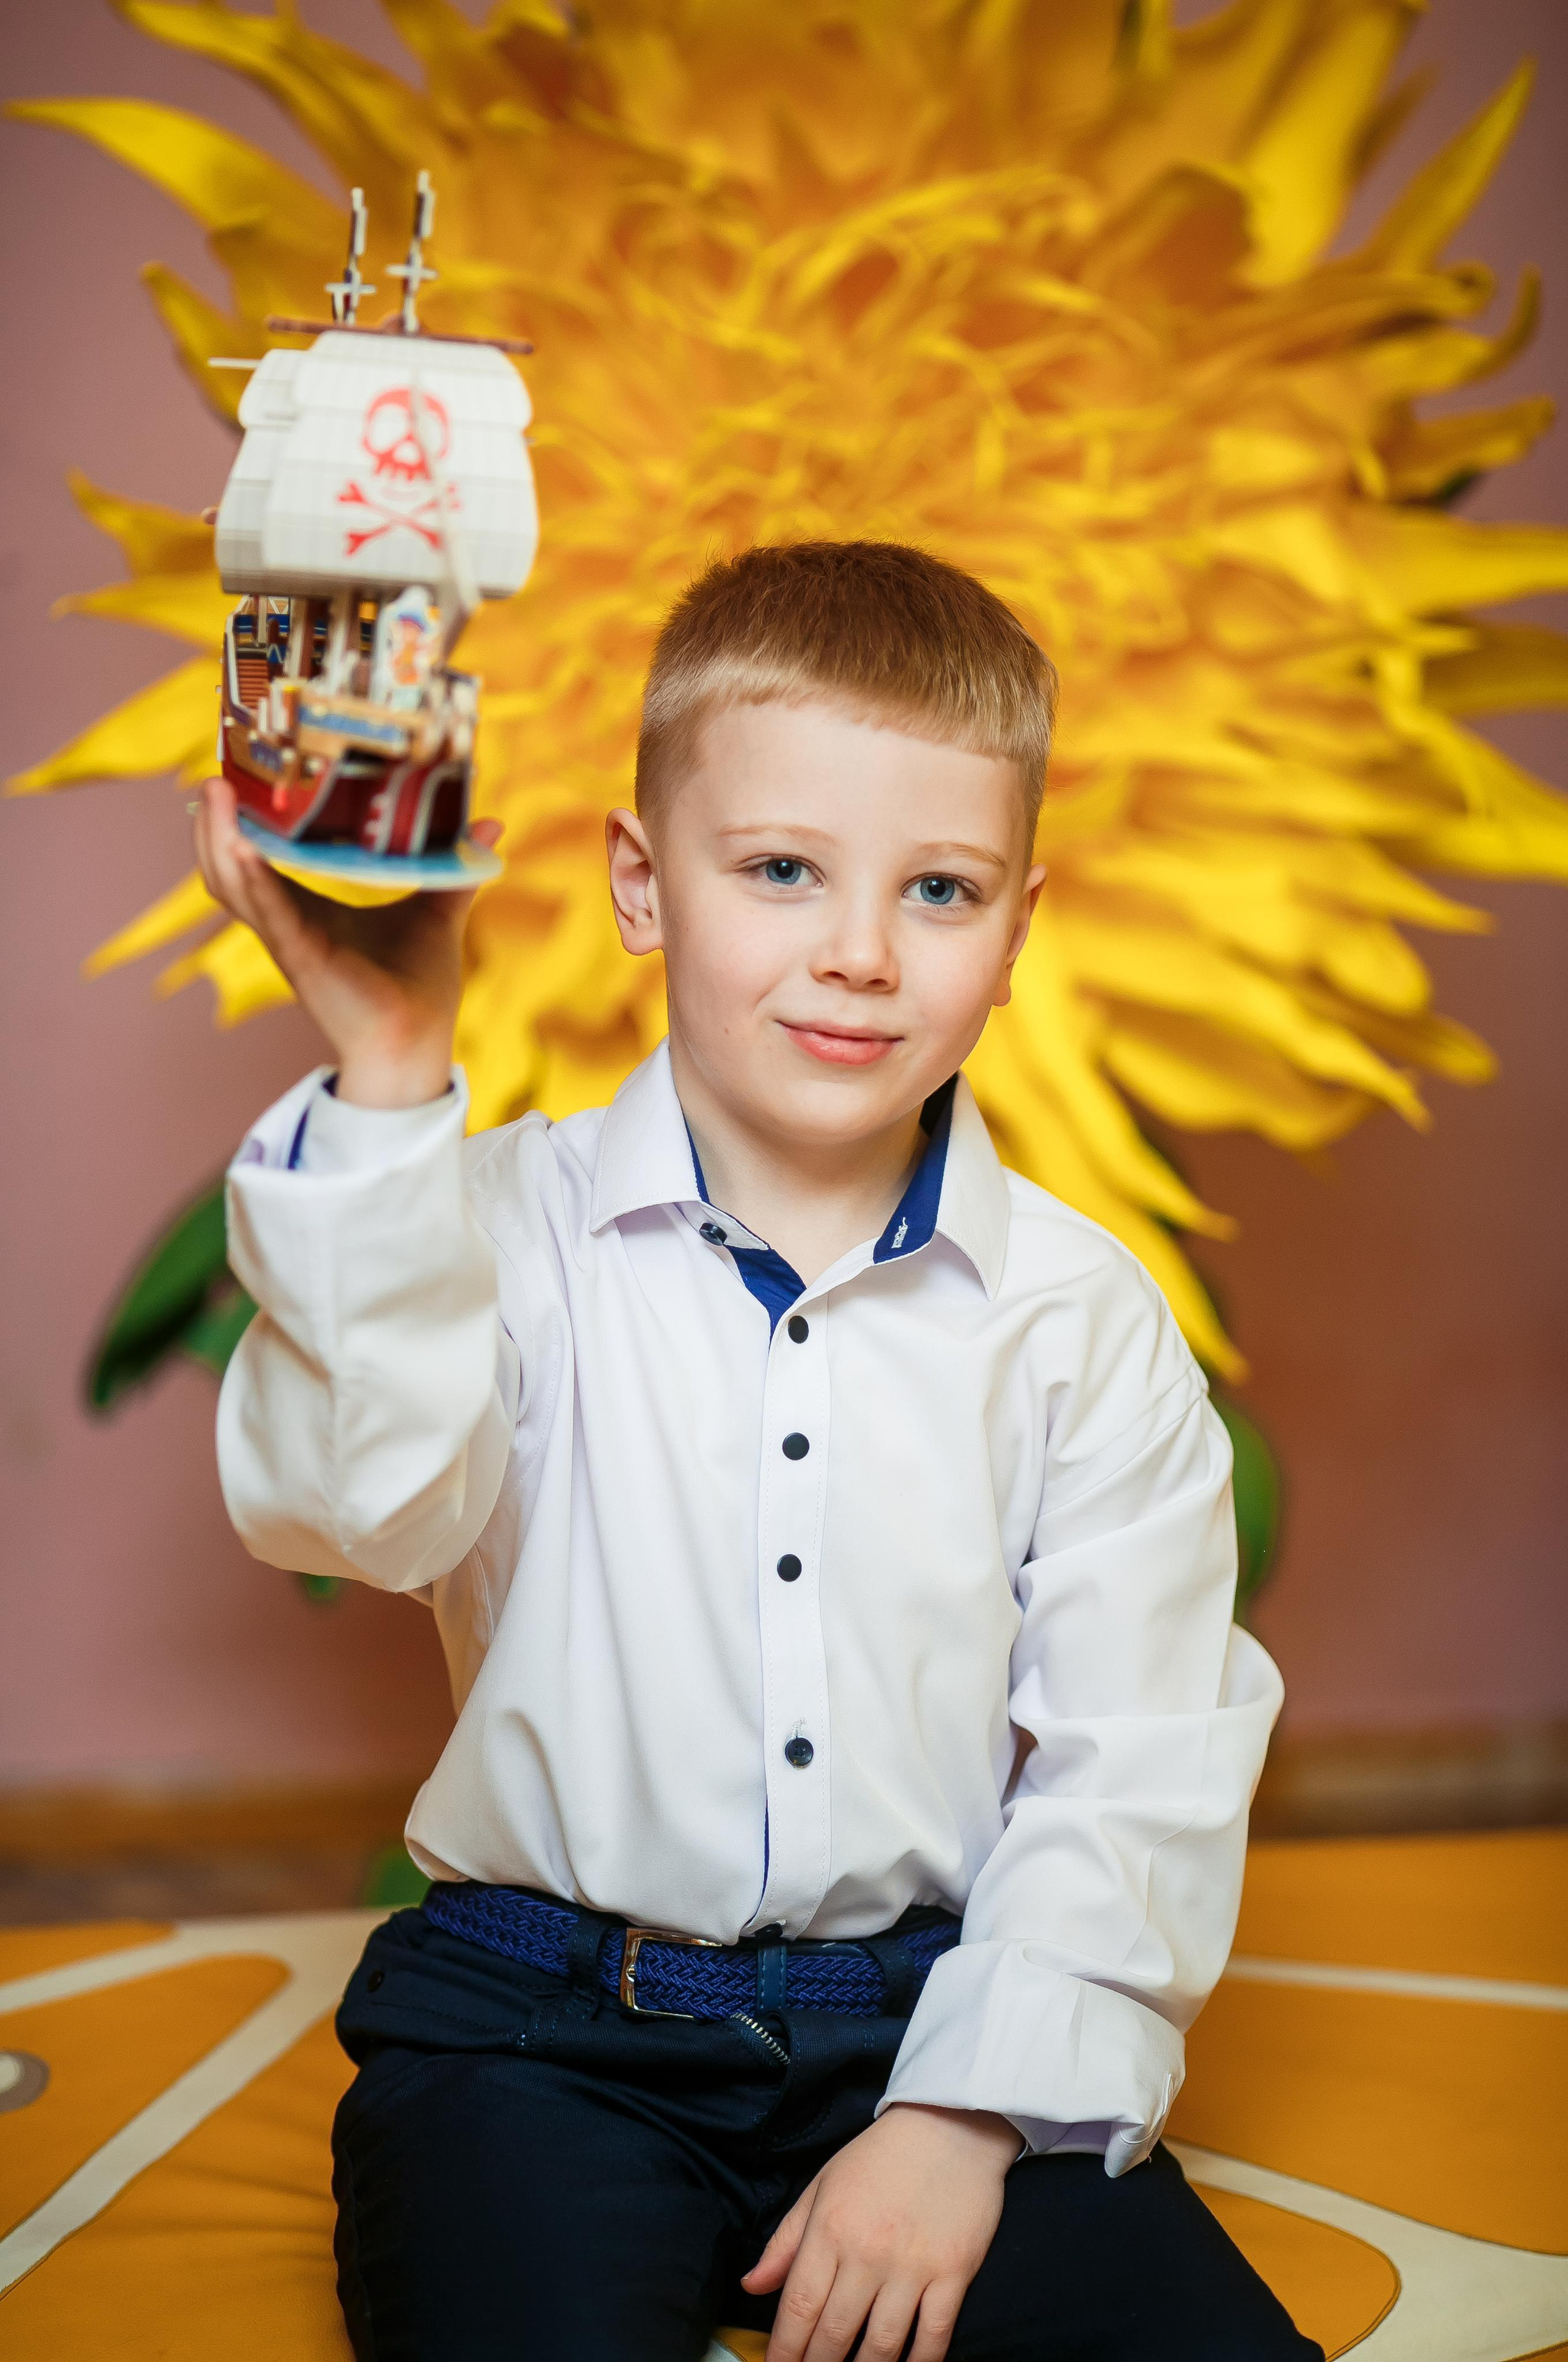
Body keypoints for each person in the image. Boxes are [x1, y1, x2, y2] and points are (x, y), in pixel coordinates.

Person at [196, 541, 1314, 2362]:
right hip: (535, 2036)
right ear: (643, 885)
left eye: (939, 889)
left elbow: (1141, 1759)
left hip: (934, 2023)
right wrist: (390, 1069)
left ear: (1019, 929)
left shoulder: (1083, 1319)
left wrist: (960, 2123)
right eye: (783, 869)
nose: (860, 951)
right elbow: (349, 1510)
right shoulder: (493, 1230)